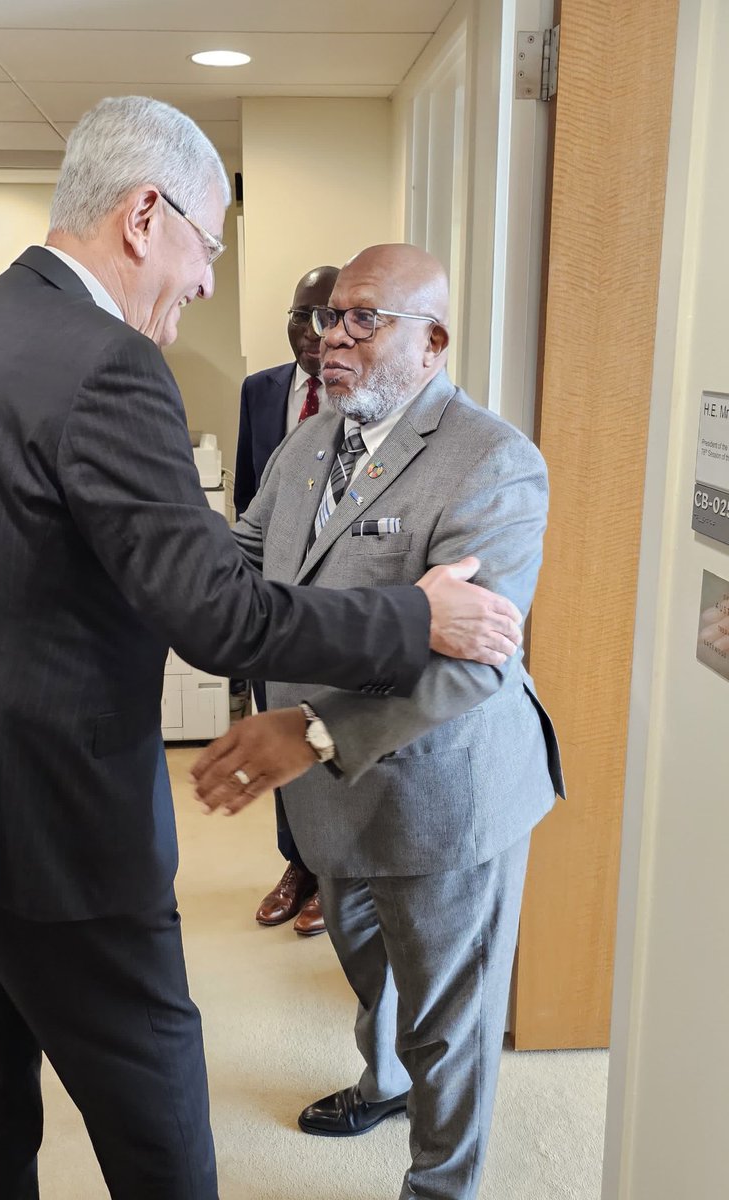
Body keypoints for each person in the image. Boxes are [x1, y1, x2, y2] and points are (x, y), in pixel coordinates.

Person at [0, 98, 524, 1200]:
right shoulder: (114, 366)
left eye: (368, 319)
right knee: (157, 1112)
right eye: (206, 244)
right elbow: (219, 605)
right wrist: (414, 616)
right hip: (50, 815)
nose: (208, 279)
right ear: (145, 216)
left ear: (432, 338)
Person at [193, 243, 565, 1200]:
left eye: (364, 319)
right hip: (324, 797)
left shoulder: (494, 463)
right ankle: (383, 1081)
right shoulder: (311, 441)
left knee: (449, 1018)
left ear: (432, 341)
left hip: (441, 796)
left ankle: (442, 1184)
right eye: (328, 320)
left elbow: (469, 665)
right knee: (370, 969)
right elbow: (241, 559)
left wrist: (309, 730)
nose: (333, 340)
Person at [234, 265, 339, 937]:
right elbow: (251, 492)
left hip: (337, 602)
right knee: (278, 726)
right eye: (301, 314)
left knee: (329, 734)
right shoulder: (261, 390)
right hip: (273, 596)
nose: (311, 330)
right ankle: (296, 864)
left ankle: (334, 875)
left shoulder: (358, 392)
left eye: (327, 315)